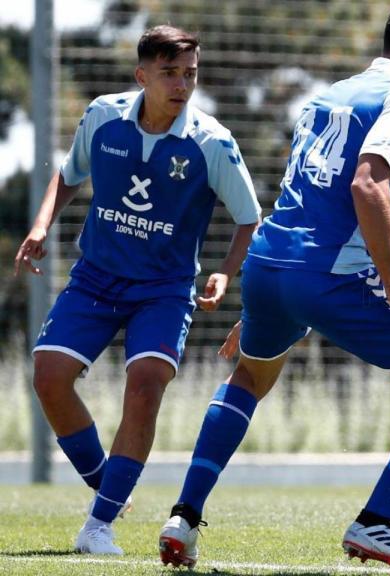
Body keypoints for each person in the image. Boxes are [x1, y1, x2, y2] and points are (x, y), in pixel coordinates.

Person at [157, 2, 390, 573]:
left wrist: (267, 301)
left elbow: (306, 191)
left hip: (269, 264)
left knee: (249, 378)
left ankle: (182, 518)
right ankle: (379, 521)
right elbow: (366, 184)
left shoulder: (328, 96)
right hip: (329, 275)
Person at [13, 25, 261, 555]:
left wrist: (225, 272)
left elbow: (248, 218)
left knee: (146, 385)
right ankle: (108, 485)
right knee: (49, 376)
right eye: (169, 73)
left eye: (190, 74)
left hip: (164, 290)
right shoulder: (103, 116)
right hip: (96, 277)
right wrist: (40, 226)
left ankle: (98, 526)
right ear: (141, 75)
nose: (182, 85)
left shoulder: (211, 142)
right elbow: (69, 174)